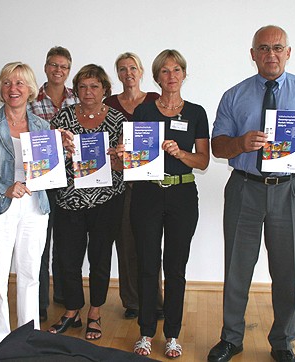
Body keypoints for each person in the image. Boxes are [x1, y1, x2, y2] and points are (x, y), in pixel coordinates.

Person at [207, 26, 295, 362]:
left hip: (289, 190)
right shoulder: (234, 95)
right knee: (236, 268)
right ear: (253, 55)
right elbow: (218, 145)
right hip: (244, 187)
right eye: (263, 48)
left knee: (286, 269)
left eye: (278, 48)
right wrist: (240, 143)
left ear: (288, 53)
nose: (271, 54)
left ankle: (282, 341)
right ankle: (231, 338)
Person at [0, 61, 73, 354]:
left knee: (30, 276)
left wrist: (62, 150)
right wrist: (4, 188)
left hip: (35, 208)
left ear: (30, 90)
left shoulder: (41, 125)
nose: (13, 89)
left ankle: (29, 340)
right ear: (1, 89)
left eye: (19, 83)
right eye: (7, 83)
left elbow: (48, 173)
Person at [120, 49, 210, 359]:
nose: (171, 76)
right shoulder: (144, 111)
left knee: (175, 268)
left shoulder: (197, 113)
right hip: (146, 195)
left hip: (182, 196)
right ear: (157, 77)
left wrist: (180, 154)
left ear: (184, 74)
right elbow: (135, 158)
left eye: (176, 70)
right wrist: (123, 156)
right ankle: (146, 332)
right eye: (164, 71)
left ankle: (172, 334)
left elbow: (203, 161)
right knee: (147, 265)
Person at [48, 64, 126, 341]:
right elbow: (48, 160)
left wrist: (116, 158)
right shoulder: (63, 117)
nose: (88, 92)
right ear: (76, 90)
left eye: (94, 86)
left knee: (100, 259)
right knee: (68, 259)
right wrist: (60, 148)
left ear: (105, 89)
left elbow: (125, 167)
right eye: (82, 86)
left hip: (107, 200)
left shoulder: (117, 120)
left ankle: (95, 311)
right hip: (69, 200)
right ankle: (72, 310)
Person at [104, 52, 164, 321]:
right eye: (122, 69)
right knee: (126, 244)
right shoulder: (109, 103)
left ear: (141, 72)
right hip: (121, 183)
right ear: (117, 74)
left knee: (151, 244)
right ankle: (132, 301)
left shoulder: (155, 100)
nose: (128, 73)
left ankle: (156, 301)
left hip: (151, 182)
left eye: (132, 68)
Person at [28, 46, 78, 323]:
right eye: (53, 65)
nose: (58, 70)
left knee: (66, 241)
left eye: (64, 66)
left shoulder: (77, 98)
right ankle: (40, 302)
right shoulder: (30, 98)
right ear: (45, 67)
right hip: (42, 179)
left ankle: (62, 294)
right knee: (40, 243)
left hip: (71, 181)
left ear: (69, 70)